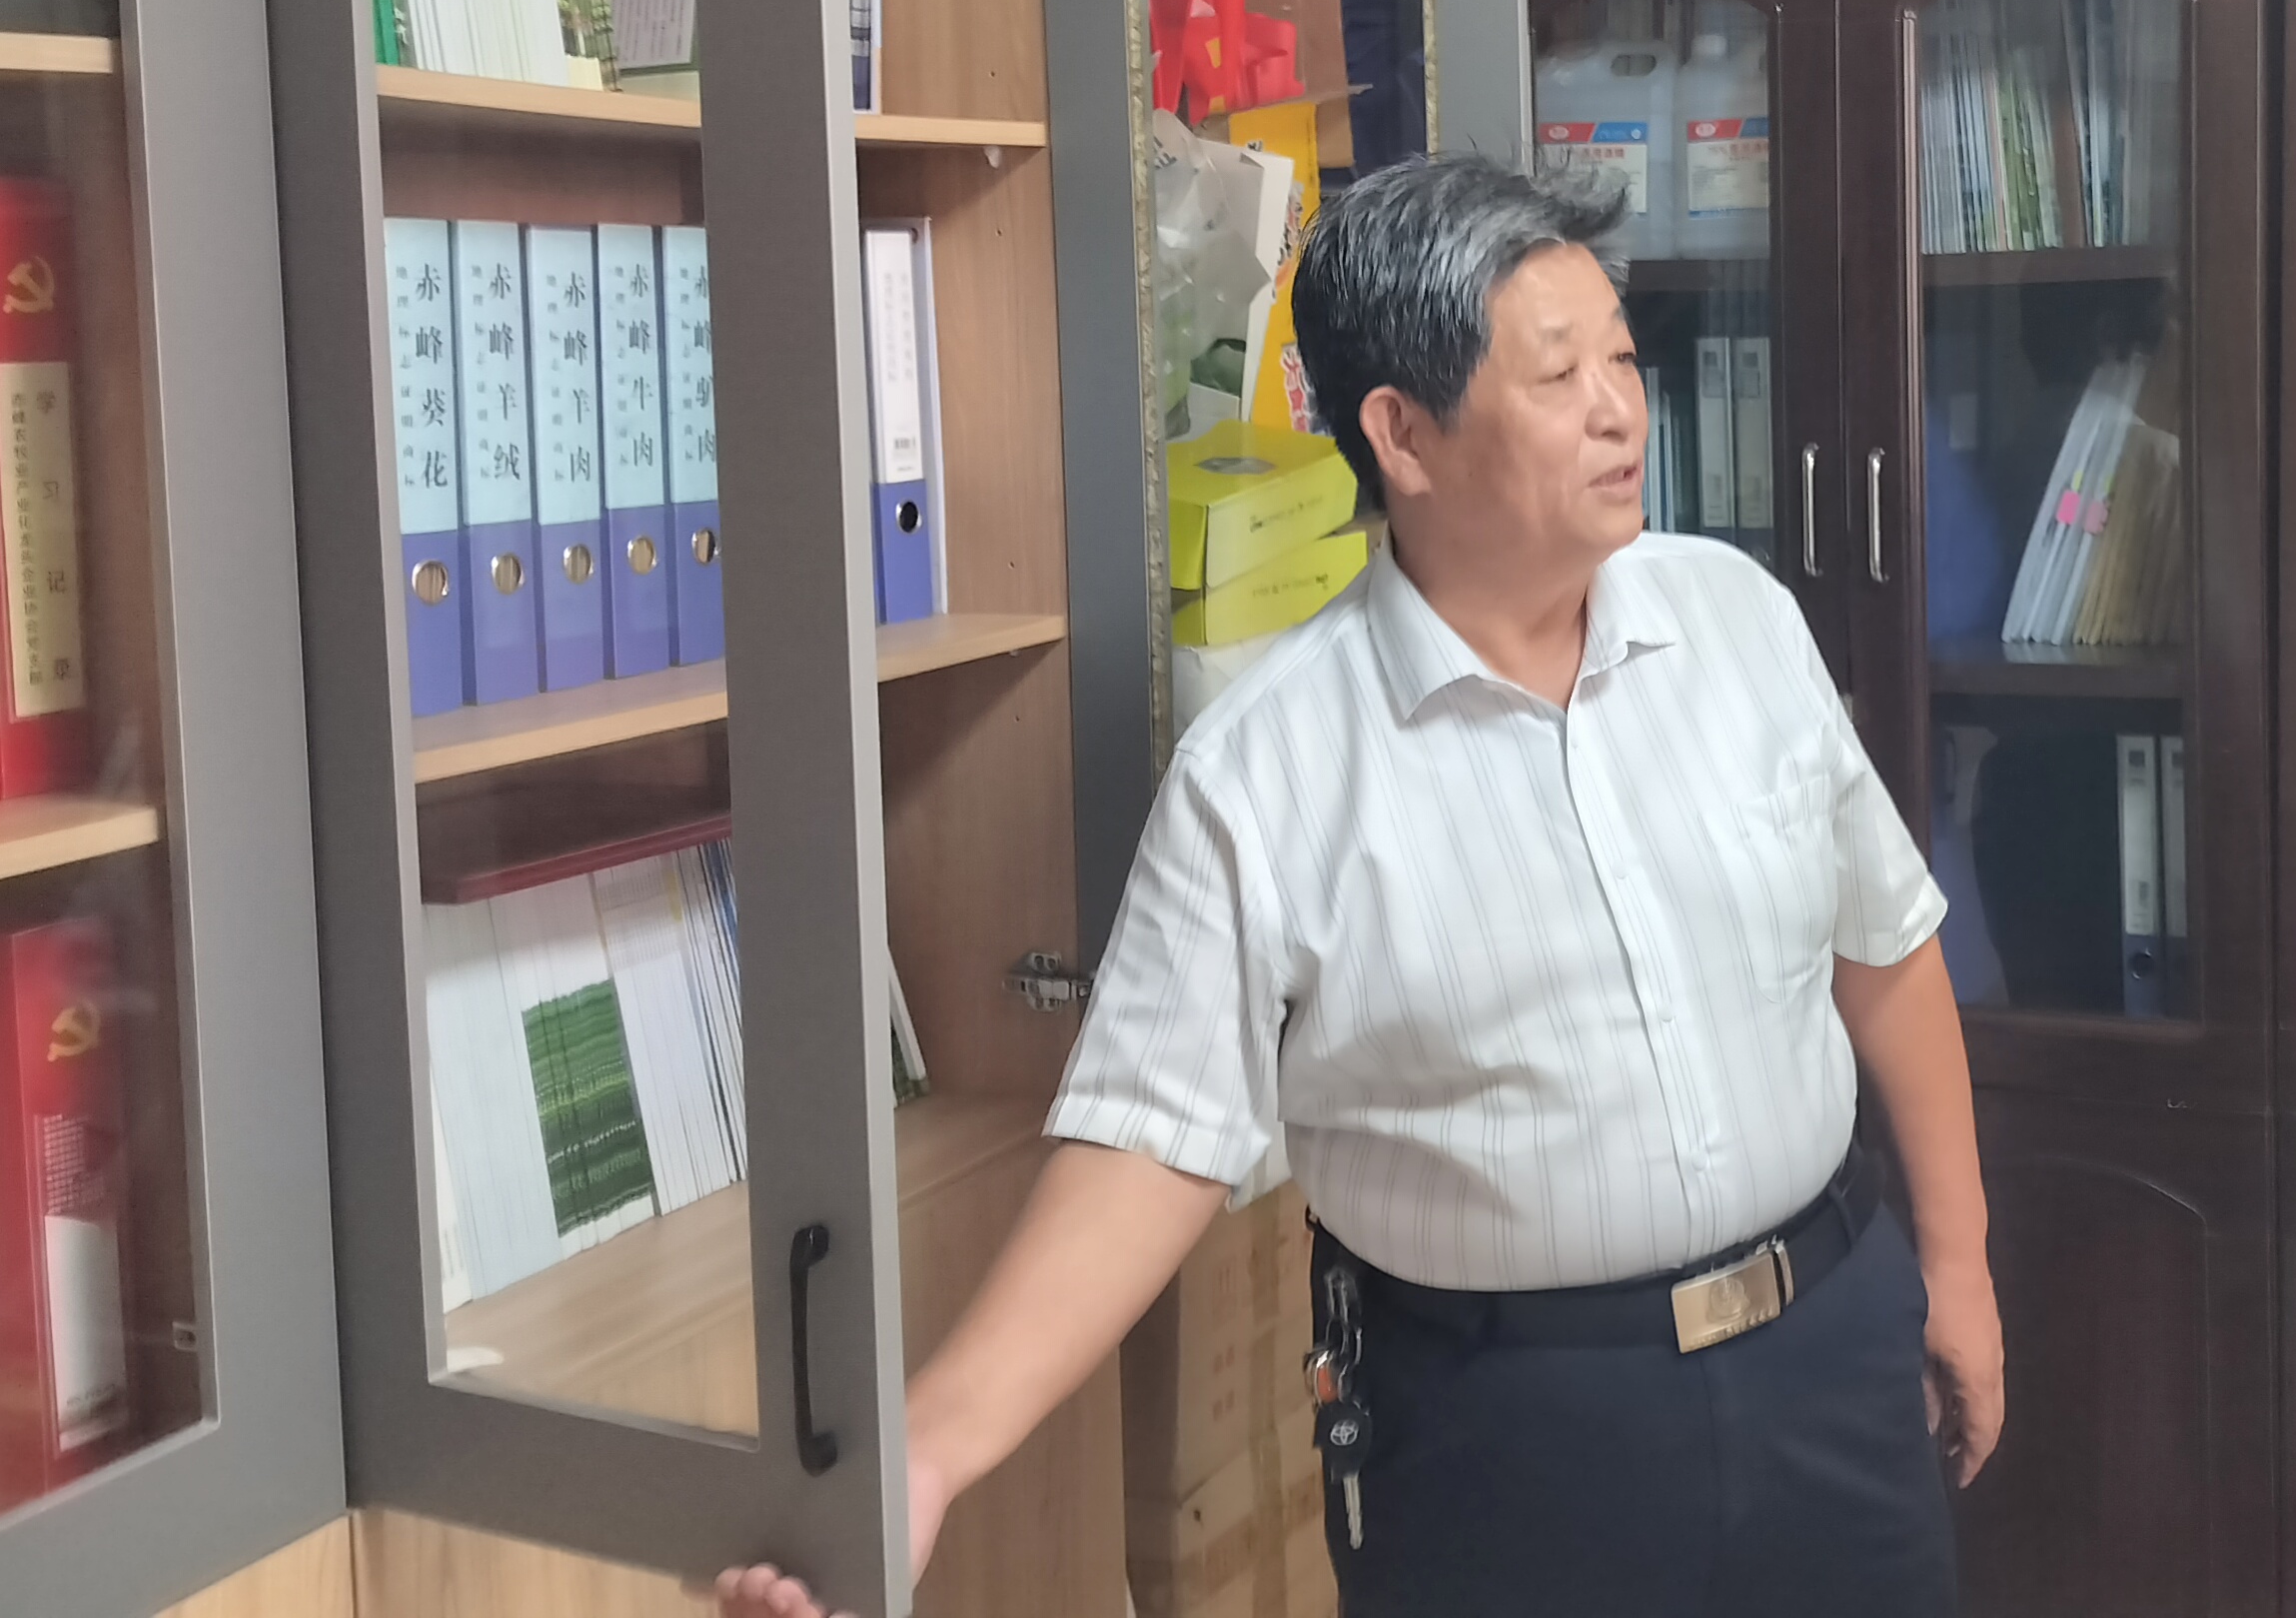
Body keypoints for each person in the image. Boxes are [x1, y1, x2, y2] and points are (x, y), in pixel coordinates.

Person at [720, 156, 2000, 1618]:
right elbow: (1149, 1144)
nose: (1619, 409)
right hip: (1509, 1439)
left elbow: (1884, 948)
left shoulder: (1740, 621)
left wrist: (1957, 1264)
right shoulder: (1268, 770)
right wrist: (933, 1450)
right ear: (1401, 433)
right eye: (1559, 374)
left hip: (1831, 1358)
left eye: (1623, 359)